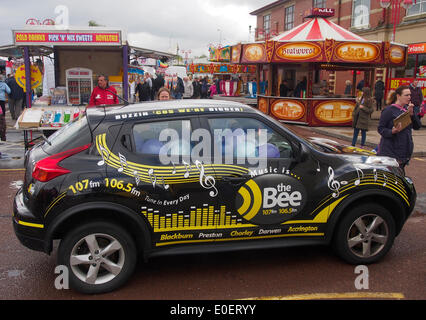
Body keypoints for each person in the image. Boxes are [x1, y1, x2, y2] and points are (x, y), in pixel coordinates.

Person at [377, 85, 421, 172]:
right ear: (398, 96)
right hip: (391, 153)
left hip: (403, 152)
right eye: (406, 95)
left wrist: (412, 114)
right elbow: (381, 128)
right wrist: (392, 131)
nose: (409, 97)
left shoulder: (407, 109)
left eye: (410, 95)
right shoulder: (389, 110)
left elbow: (417, 126)